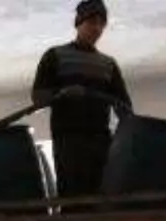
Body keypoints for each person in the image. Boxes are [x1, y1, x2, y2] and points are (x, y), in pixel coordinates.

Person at [31, 1, 132, 198]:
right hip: (68, 139)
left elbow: (125, 108)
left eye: (102, 23)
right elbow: (38, 98)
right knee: (71, 191)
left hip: (100, 139)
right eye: (92, 22)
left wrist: (127, 137)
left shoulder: (108, 65)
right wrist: (63, 93)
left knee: (100, 191)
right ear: (79, 23)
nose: (97, 28)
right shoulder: (55, 56)